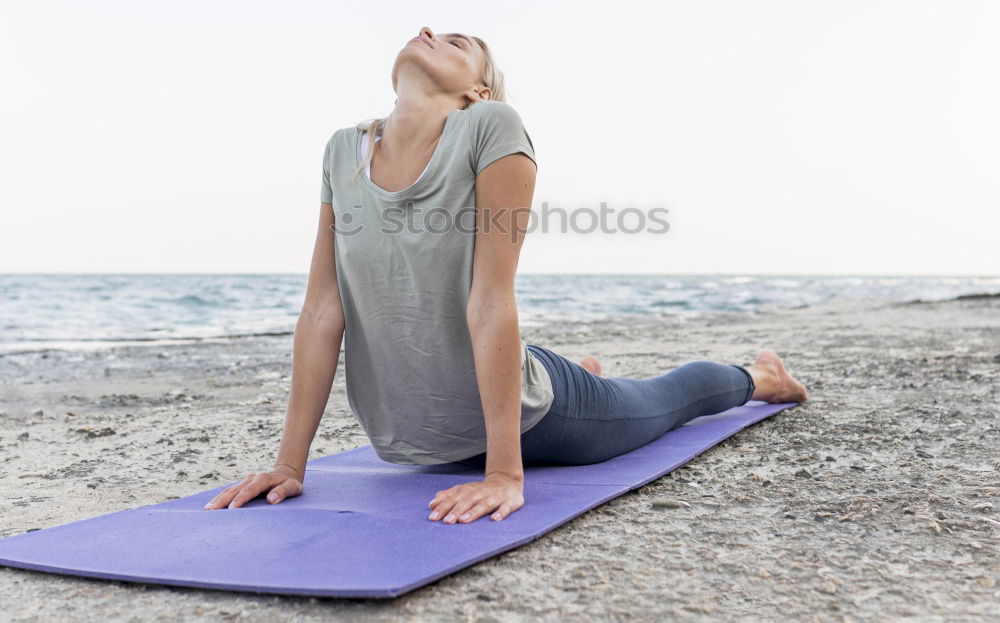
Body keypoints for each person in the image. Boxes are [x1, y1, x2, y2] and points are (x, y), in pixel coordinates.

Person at [204, 26, 808, 524]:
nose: (428, 33)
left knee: (666, 401)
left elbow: (491, 299)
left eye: (458, 42)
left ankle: (760, 376)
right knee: (571, 373)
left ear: (479, 91)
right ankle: (579, 368)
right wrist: (289, 465)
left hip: (532, 416)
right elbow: (321, 308)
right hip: (420, 442)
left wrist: (503, 475)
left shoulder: (491, 127)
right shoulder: (342, 150)